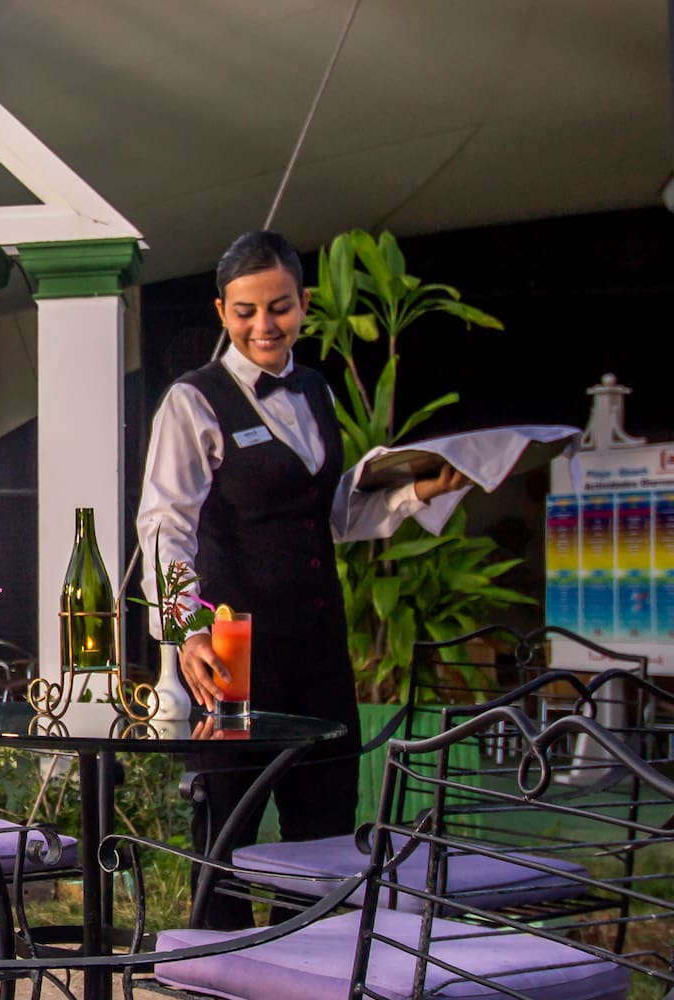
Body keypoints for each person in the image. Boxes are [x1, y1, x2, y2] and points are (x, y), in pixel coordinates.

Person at [135, 230, 471, 929]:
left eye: (280, 307)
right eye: (246, 311)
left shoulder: (314, 390)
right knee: (227, 838)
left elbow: (331, 514)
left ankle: (313, 972)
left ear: (303, 304)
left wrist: (417, 493)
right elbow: (164, 526)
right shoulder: (193, 401)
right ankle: (215, 972)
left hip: (319, 647)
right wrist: (188, 630)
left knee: (322, 838)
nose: (265, 326)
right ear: (222, 311)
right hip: (232, 659)